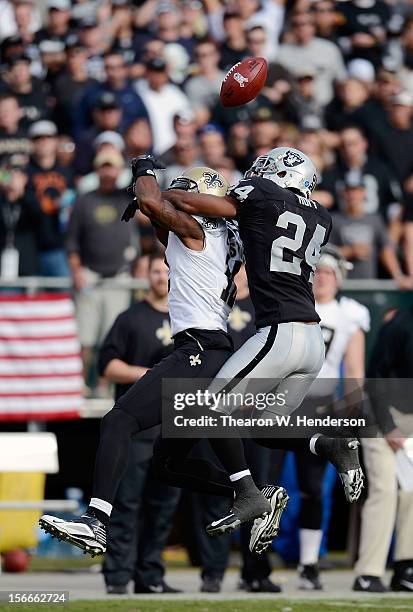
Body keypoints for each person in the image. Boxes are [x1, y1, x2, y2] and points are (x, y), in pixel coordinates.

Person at [39, 164, 257, 557]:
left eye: (185, 192)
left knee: (118, 420)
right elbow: (158, 216)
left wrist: (145, 169)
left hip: (200, 348)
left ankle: (97, 520)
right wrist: (148, 205)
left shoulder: (200, 231)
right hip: (211, 350)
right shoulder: (216, 235)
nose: (179, 197)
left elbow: (152, 199)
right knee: (168, 464)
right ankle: (248, 491)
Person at [163, 146, 363, 553]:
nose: (257, 171)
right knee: (265, 427)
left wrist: (159, 197)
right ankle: (333, 444)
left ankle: (249, 494)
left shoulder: (260, 192)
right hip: (312, 344)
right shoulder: (320, 216)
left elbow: (190, 200)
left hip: (280, 333)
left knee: (211, 409)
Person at [99, 253, 181, 595]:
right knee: (126, 505)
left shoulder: (187, 319)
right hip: (136, 432)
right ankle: (117, 577)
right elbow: (107, 365)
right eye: (156, 271)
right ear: (145, 274)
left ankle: (151, 577)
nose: (162, 277)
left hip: (174, 430)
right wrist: (146, 376)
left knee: (163, 509)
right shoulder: (130, 318)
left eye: (167, 270)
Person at [294, 248, 369, 590]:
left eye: (328, 272)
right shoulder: (294, 304)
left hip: (320, 406)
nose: (321, 277)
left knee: (312, 489)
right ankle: (256, 567)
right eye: (316, 271)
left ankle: (308, 563)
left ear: (339, 277)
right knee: (259, 479)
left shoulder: (349, 314)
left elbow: (354, 373)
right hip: (279, 400)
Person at [354, 306, 413, 593]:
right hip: (379, 415)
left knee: (412, 490)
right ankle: (368, 573)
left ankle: (406, 567)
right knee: (385, 489)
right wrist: (389, 426)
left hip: (410, 419)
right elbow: (375, 377)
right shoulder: (400, 325)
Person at [66, 149, 137, 384]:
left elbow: (150, 214)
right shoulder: (84, 199)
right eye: (104, 166)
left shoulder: (127, 198)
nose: (108, 171)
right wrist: (76, 272)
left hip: (119, 277)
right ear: (97, 169)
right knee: (84, 339)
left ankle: (104, 390)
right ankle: (80, 387)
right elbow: (72, 241)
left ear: (119, 170)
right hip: (89, 276)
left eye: (112, 166)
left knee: (111, 340)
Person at [329, 177, 412, 287]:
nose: (353, 196)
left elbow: (386, 250)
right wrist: (350, 251)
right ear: (344, 194)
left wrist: (398, 275)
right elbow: (326, 252)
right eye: (349, 192)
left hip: (369, 284)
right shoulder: (334, 220)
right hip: (342, 284)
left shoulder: (374, 220)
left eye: (357, 191)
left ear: (364, 194)